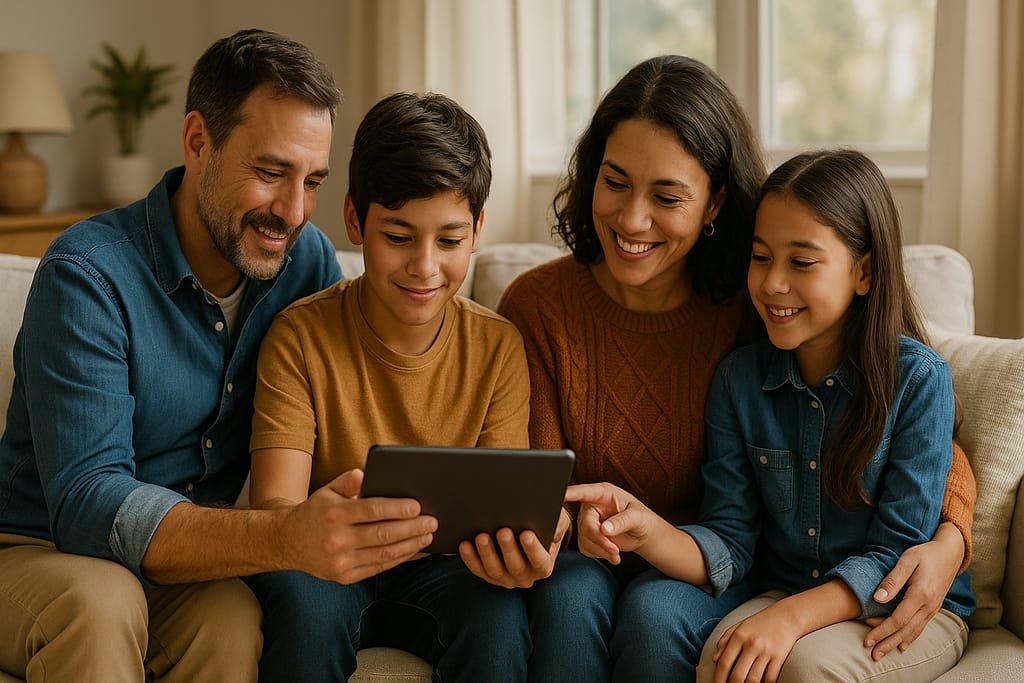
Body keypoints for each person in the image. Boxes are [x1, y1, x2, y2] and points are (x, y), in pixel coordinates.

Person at [492, 55, 975, 682]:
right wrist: (557, 524)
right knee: (572, 592)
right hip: (621, 558)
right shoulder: (541, 308)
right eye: (614, 183)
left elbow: (912, 431)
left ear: (715, 203)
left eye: (667, 196)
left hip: (722, 568)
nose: (632, 219)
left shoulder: (757, 310)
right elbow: (531, 480)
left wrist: (951, 537)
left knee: (653, 610)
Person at [0, 29, 441, 682]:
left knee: (233, 616)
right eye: (270, 172)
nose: (292, 211)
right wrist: (279, 535)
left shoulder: (306, 265)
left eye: (311, 179)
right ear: (198, 141)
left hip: (182, 567)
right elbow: (90, 506)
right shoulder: (87, 274)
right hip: (37, 547)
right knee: (101, 600)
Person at [243, 91, 567, 683]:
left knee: (496, 617)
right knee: (304, 605)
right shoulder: (299, 337)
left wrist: (523, 547)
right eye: (398, 236)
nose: (424, 266)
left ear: (477, 232)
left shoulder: (497, 347)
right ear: (354, 220)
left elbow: (503, 505)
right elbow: (277, 510)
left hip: (445, 570)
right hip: (326, 565)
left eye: (448, 240)